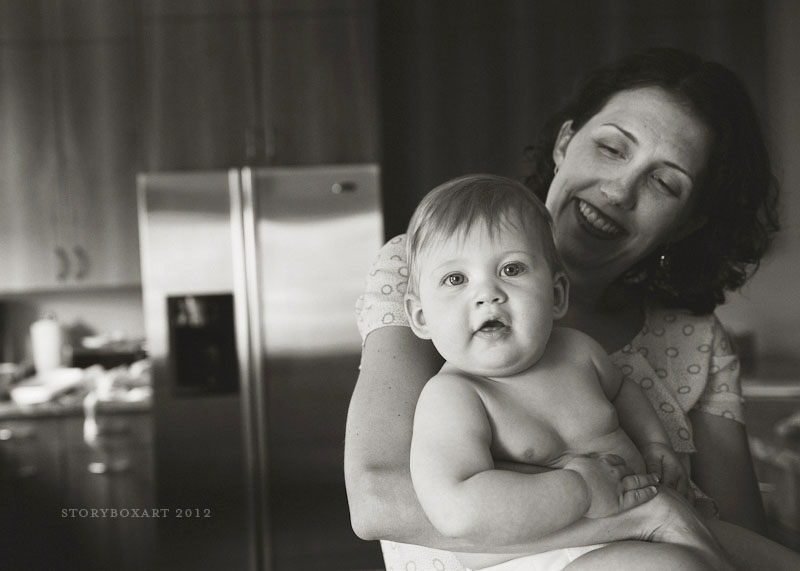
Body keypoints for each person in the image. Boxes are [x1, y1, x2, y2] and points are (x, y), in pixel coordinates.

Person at [345, 47, 799, 570]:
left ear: (689, 221)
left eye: (664, 182)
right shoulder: (424, 274)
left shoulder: (684, 340)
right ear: (565, 143)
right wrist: (642, 513)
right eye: (611, 148)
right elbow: (378, 501)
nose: (619, 190)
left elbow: (739, 530)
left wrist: (657, 459)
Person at [404, 174, 724, 570]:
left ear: (556, 295)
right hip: (548, 555)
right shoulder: (455, 396)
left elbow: (623, 390)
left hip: (641, 529)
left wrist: (655, 445)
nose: (488, 294)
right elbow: (457, 511)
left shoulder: (578, 351)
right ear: (421, 316)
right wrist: (581, 489)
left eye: (511, 269)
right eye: (456, 279)